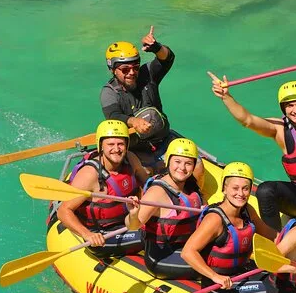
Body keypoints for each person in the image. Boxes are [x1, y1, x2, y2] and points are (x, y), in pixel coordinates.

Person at [208, 42, 296, 231]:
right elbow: (247, 120)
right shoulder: (280, 129)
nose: (295, 110)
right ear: (283, 109)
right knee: (266, 190)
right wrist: (226, 97)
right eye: (289, 106)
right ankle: (273, 239)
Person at [181, 162, 277, 293]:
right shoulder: (215, 219)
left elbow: (270, 235)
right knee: (275, 287)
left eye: (245, 188)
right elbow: (188, 252)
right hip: (218, 287)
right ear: (224, 189)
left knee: (282, 277)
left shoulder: (248, 211)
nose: (241, 193)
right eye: (235, 188)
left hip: (241, 273)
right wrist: (215, 277)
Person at [57, 120, 149, 258]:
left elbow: (146, 183)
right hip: (102, 234)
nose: (116, 149)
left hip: (129, 220)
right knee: (148, 236)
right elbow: (63, 211)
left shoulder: (131, 159)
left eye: (121, 144)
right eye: (110, 144)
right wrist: (87, 234)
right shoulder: (90, 175)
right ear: (101, 146)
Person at [100, 26, 183, 173]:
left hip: (164, 140)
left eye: (135, 67)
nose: (132, 73)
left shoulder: (147, 75)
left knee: (197, 167)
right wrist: (133, 121)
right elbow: (113, 116)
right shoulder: (109, 92)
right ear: (112, 69)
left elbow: (167, 59)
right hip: (136, 150)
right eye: (125, 69)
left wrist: (156, 47)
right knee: (147, 172)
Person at [127, 138, 204, 279]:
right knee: (217, 264)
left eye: (188, 163)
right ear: (168, 161)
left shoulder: (191, 186)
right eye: (177, 162)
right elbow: (133, 226)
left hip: (186, 247)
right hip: (161, 256)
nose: (182, 168)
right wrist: (133, 214)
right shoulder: (157, 193)